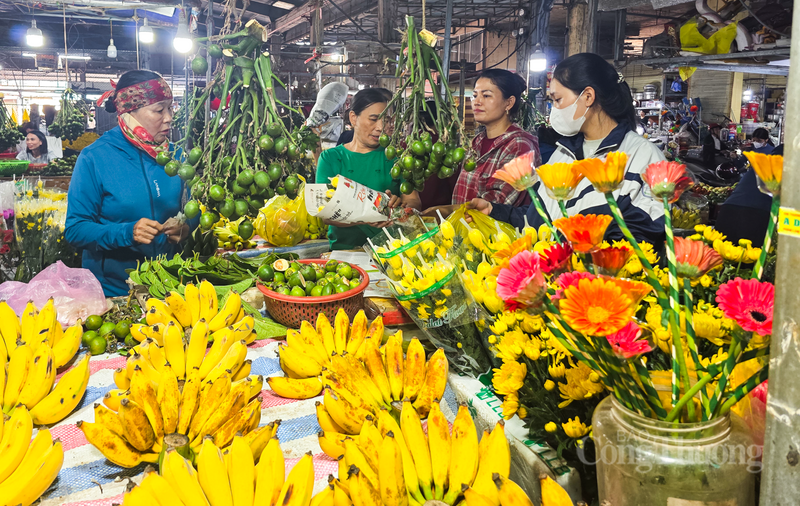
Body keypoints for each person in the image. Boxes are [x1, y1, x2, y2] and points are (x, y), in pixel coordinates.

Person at [467, 53, 665, 244]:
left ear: (588, 96)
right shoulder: (563, 154)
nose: (554, 109)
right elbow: (540, 221)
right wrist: (494, 211)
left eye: (558, 100)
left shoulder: (642, 157)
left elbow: (644, 235)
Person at [65, 70, 191, 297]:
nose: (169, 117)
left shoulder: (176, 156)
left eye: (171, 108)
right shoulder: (95, 157)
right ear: (129, 111)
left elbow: (191, 207)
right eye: (159, 109)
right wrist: (127, 232)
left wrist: (187, 226)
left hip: (169, 287)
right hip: (115, 292)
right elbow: (75, 229)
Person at [421, 69, 540, 218]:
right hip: (464, 232)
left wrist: (448, 211)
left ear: (509, 103)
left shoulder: (519, 145)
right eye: (475, 95)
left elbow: (497, 204)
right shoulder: (477, 141)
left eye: (486, 95)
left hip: (495, 237)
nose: (477, 102)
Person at [316, 87, 421, 250]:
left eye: (386, 120)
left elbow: (414, 201)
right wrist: (365, 215)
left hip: (392, 252)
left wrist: (400, 208)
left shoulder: (396, 157)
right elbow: (325, 212)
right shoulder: (330, 158)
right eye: (374, 119)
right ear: (353, 118)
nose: (380, 127)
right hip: (345, 253)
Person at [716, 140, 781, 247]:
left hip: (728, 212)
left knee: (723, 259)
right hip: (755, 217)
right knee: (749, 259)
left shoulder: (759, 167)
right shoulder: (787, 172)